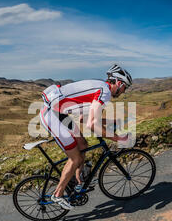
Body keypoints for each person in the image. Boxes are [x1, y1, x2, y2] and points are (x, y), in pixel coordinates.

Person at [39, 64, 133, 210]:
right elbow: (92, 124)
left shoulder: (101, 88)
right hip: (51, 115)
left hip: (59, 113)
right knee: (75, 158)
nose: (123, 92)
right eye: (124, 88)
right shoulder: (105, 92)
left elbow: (84, 118)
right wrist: (118, 139)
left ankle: (77, 182)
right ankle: (57, 194)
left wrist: (112, 123)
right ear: (119, 83)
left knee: (82, 145)